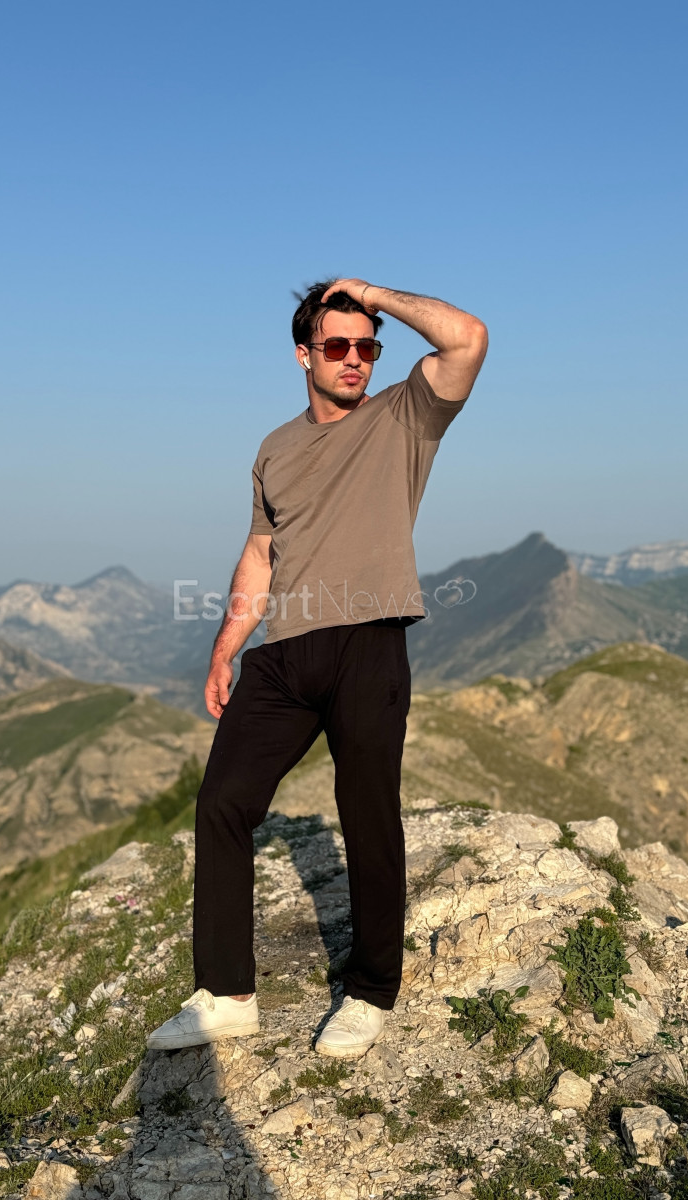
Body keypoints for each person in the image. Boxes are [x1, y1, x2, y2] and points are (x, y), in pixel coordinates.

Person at [148, 278, 487, 1057]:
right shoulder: (274, 448)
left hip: (368, 641)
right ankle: (227, 994)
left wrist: (371, 294)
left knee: (367, 814)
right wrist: (225, 647)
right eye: (337, 345)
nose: (354, 358)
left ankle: (370, 991)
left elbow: (467, 337)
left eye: (367, 346)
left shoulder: (404, 415)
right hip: (283, 655)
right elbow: (261, 553)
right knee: (223, 802)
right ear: (304, 355)